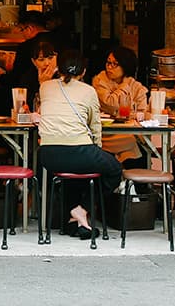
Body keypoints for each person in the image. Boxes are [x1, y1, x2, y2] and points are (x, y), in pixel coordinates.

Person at [35, 50, 122, 238]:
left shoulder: (45, 87)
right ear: (83, 72)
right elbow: (95, 124)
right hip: (80, 151)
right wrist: (96, 149)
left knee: (72, 176)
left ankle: (75, 221)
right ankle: (84, 209)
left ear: (59, 68)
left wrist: (48, 74)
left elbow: (46, 89)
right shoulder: (89, 91)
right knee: (114, 169)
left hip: (48, 155)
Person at [92, 46, 149, 165]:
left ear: (125, 66)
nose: (109, 67)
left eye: (115, 64)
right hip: (106, 133)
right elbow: (110, 103)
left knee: (138, 144)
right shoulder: (99, 81)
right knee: (132, 143)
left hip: (130, 132)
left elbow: (142, 112)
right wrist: (123, 87)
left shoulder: (136, 86)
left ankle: (134, 181)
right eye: (108, 63)